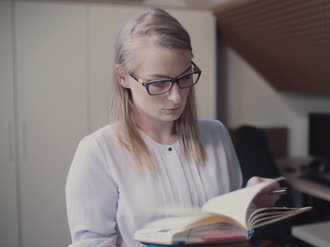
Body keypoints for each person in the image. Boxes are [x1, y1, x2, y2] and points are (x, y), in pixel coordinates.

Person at [65, 8, 279, 247]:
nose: (177, 97)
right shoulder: (97, 151)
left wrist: (249, 199)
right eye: (158, 83)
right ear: (123, 78)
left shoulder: (216, 134)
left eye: (185, 78)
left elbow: (230, 226)